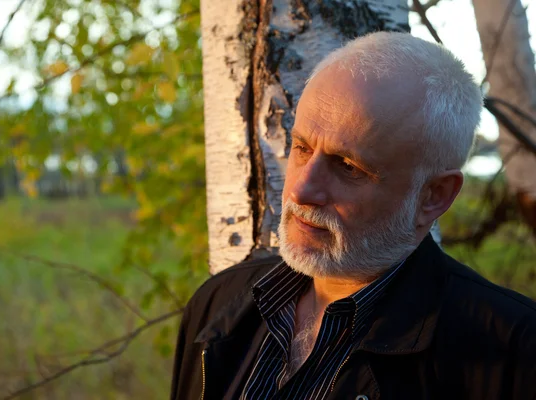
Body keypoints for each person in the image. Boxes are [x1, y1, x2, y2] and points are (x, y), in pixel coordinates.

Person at [171, 32, 536, 400]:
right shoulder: (219, 306)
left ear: (433, 196)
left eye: (347, 166)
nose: (301, 190)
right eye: (301, 148)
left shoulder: (514, 353)